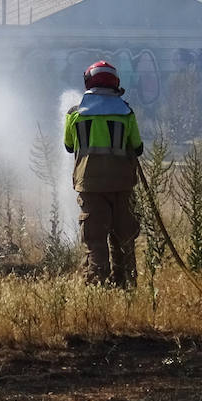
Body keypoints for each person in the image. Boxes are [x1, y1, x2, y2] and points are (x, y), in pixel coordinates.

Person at [64, 60, 144, 287]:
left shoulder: (75, 114)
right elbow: (137, 147)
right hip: (122, 185)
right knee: (124, 240)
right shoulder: (126, 112)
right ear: (115, 83)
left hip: (90, 186)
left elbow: (69, 146)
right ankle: (126, 287)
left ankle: (97, 290)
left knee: (95, 242)